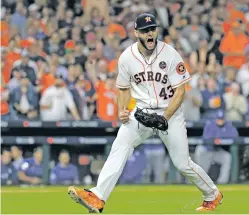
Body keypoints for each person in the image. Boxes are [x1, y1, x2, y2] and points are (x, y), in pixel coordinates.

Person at [68, 13, 223, 213]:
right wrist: (122, 110)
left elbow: (181, 91)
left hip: (170, 114)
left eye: (152, 29)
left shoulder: (170, 54)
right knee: (120, 146)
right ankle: (97, 197)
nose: (150, 33)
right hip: (142, 112)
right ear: (136, 33)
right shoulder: (126, 57)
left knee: (182, 163)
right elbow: (123, 89)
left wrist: (164, 118)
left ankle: (212, 194)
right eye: (145, 30)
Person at [195, 111, 238, 184]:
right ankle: (197, 183)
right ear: (216, 119)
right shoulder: (210, 125)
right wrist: (221, 138)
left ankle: (222, 182)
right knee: (202, 170)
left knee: (227, 157)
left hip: (217, 151)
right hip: (206, 151)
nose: (220, 121)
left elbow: (235, 136)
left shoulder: (228, 126)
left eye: (222, 119)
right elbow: (207, 139)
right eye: (219, 119)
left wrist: (219, 138)